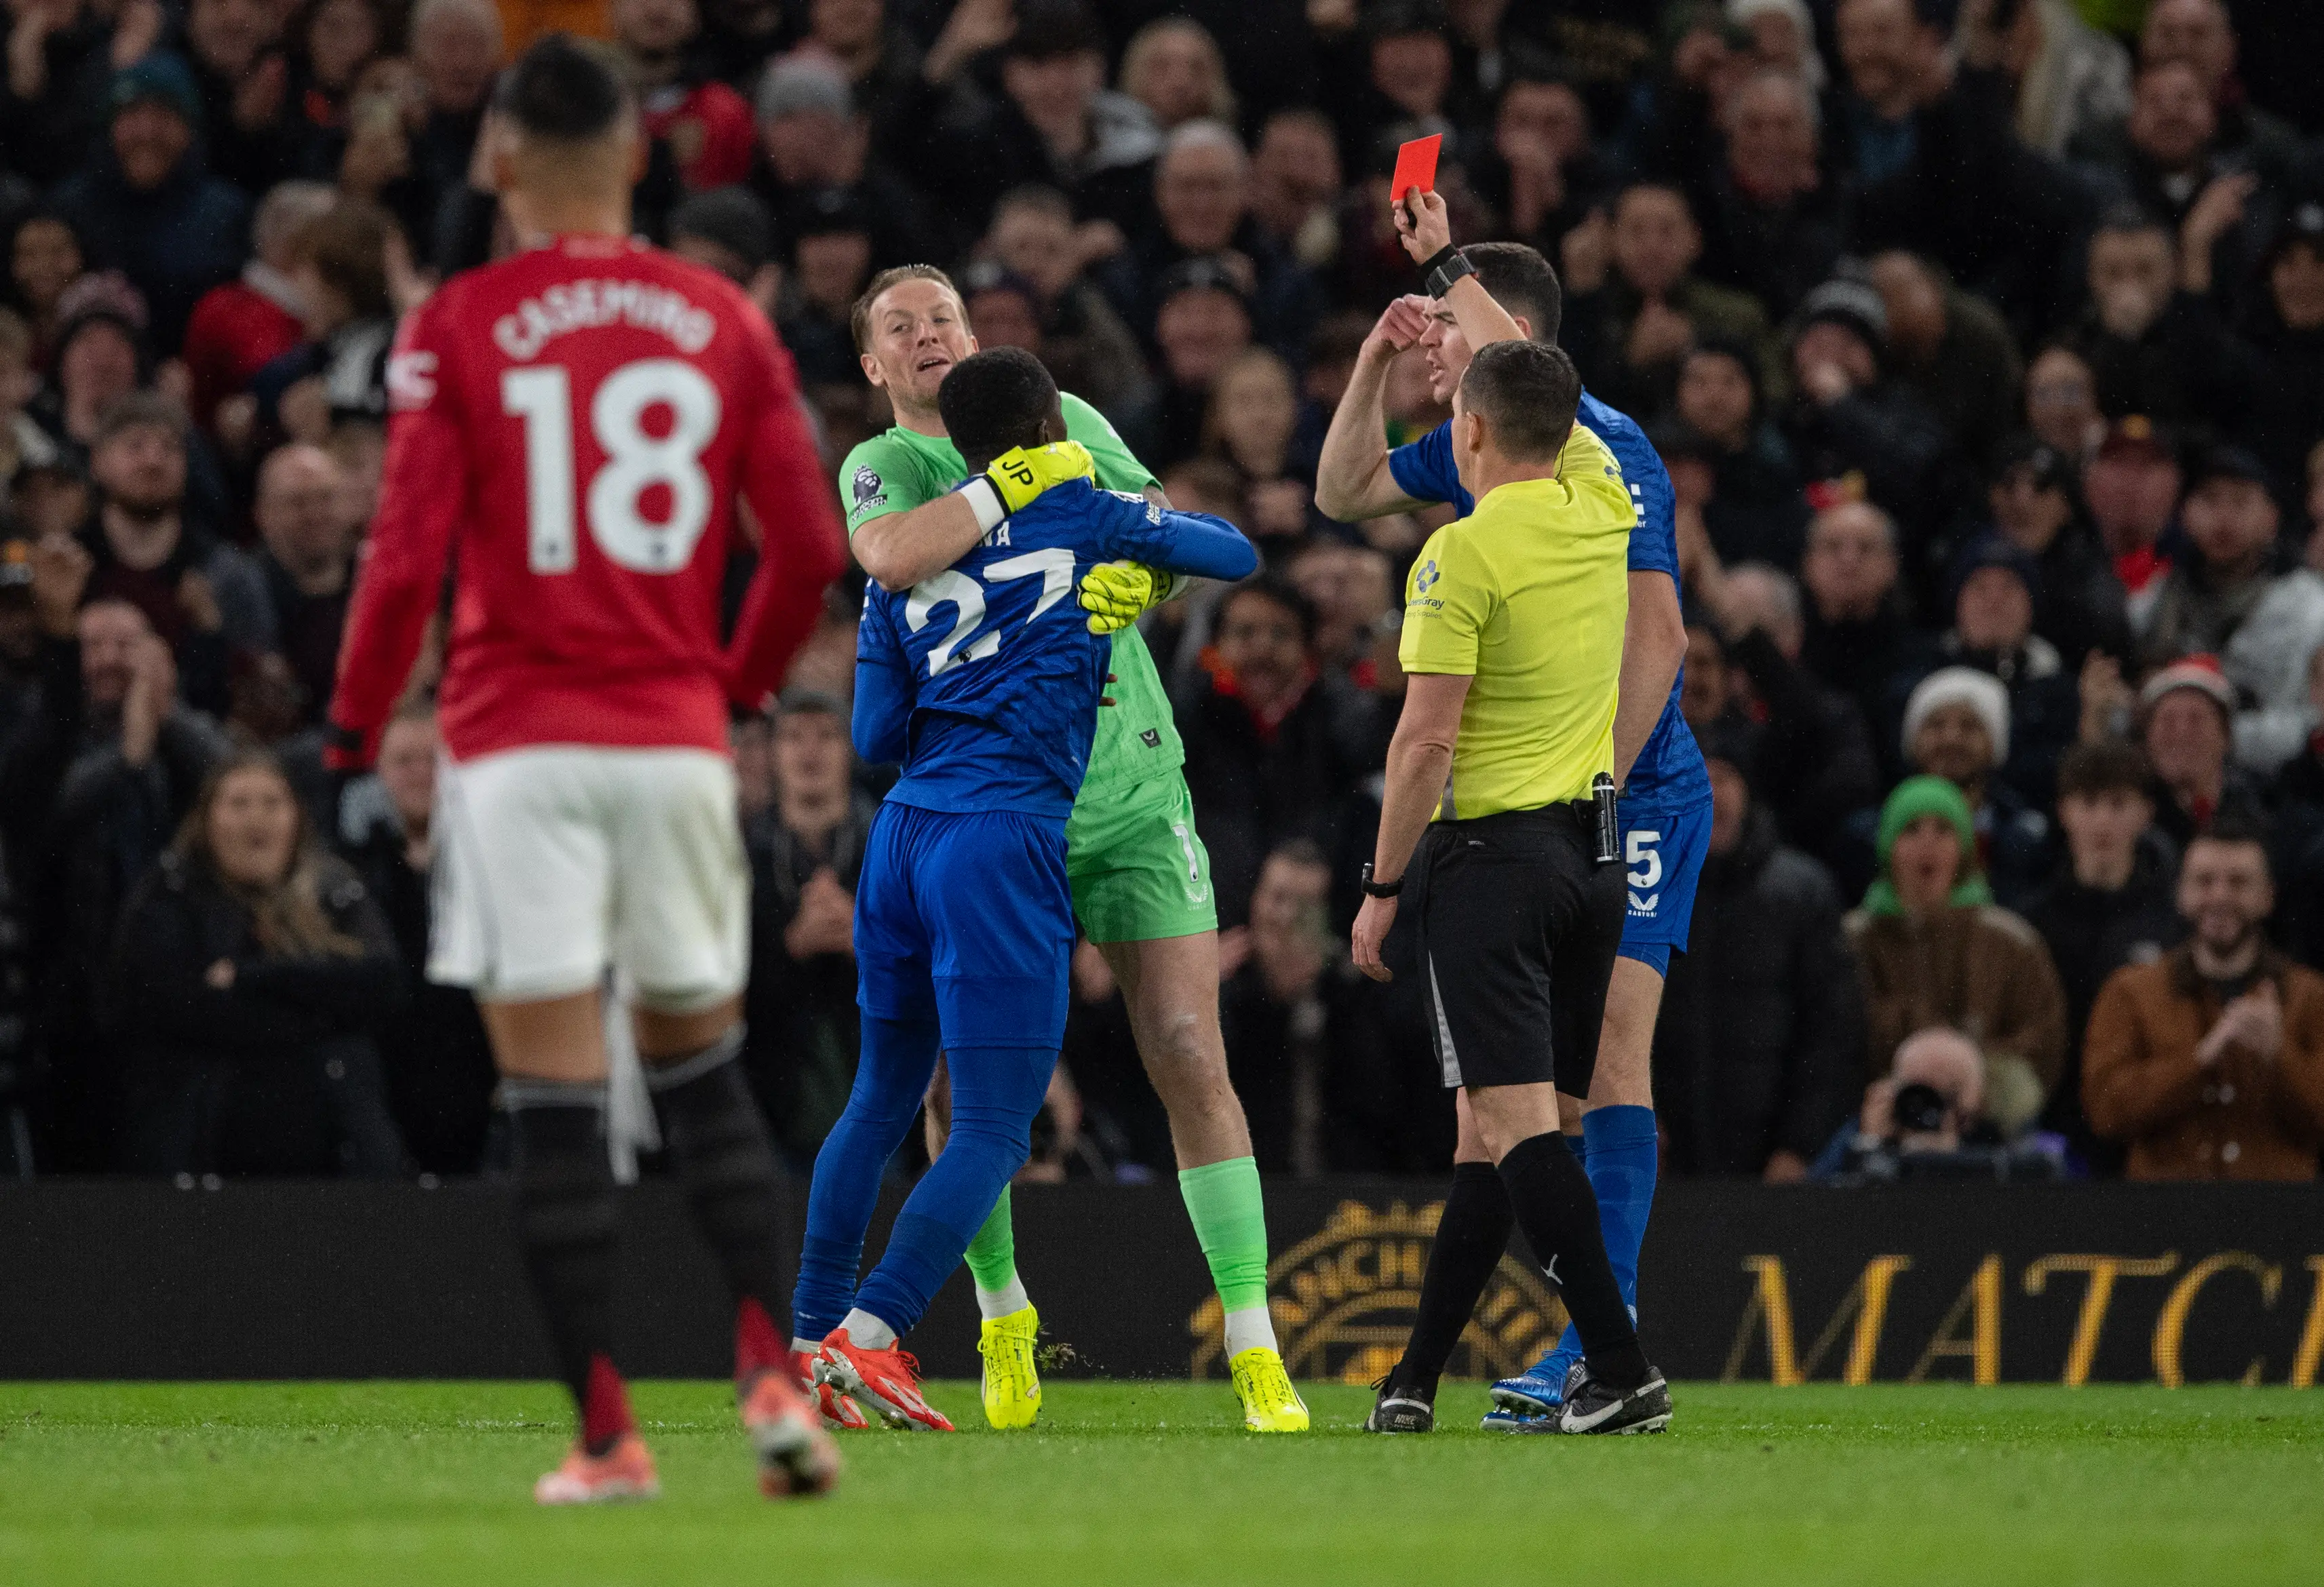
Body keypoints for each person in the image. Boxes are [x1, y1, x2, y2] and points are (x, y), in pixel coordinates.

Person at [320, 37, 848, 1505]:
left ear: (495, 158)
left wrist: (357, 728)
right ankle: (768, 1381)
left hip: (517, 753)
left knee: (555, 1109)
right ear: (636, 156)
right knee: (707, 1079)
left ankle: (611, 1439)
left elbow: (403, 555)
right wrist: (728, 689)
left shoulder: (460, 326)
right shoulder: (723, 320)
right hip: (675, 746)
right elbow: (807, 551)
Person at [833, 262, 1305, 1435]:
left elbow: (1168, 537)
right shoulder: (883, 465)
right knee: (967, 1083)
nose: (929, 333)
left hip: (1129, 786)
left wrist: (1129, 579)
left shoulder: (1075, 419)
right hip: (993, 811)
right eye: (903, 326)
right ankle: (1002, 1315)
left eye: (944, 315)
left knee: (1191, 1045)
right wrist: (1023, 489)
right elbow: (894, 555)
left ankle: (1254, 1339)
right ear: (876, 366)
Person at [1313, 199, 1707, 1427]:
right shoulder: (1503, 461)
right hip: (1553, 803)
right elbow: (1345, 492)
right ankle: (1434, 1375)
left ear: (1508, 348)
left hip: (1614, 789)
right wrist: (1378, 357)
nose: (1434, 350)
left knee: (1595, 1069)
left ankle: (1607, 1342)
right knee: (1495, 1112)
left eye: (1445, 338)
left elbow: (1661, 638)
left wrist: (1590, 780)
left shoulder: (1612, 445)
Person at [111, 749, 405, 1176]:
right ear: (206, 819)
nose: (257, 820)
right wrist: (326, 1004)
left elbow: (385, 986)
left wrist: (251, 977)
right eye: (239, 804)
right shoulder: (168, 895)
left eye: (272, 803)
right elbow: (179, 1008)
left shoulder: (335, 890)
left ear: (297, 818)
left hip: (338, 1157)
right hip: (198, 1149)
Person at [1652, 722, 1863, 1180]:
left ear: (1748, 793)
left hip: (1774, 1171)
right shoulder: (1642, 894)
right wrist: (1630, 1122)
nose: (1711, 793)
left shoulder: (1802, 893)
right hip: (1665, 1167)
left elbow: (1829, 1032)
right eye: (1695, 777)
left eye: (1724, 778)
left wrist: (1799, 1147)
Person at [2083, 824, 2324, 1181]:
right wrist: (2199, 1061)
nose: (2220, 896)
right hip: (2164, 1217)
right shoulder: (2131, 990)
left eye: (2239, 883)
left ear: (2267, 897)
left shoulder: (2311, 995)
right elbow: (2105, 1111)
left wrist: (2279, 1055)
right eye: (2204, 881)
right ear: (2181, 894)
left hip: (2280, 1216)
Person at [1846, 775, 2068, 1139]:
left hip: (1992, 1128)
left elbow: (2042, 1040)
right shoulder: (1853, 941)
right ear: (1888, 846)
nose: (1927, 843)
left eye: (1943, 830)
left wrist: (1970, 1083)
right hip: (1877, 1122)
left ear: (1964, 849)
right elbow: (1838, 1040)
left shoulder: (2012, 941)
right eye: (1911, 829)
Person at [2021, 739, 2180, 1173]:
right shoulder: (2031, 922)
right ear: (2064, 811)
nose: (2103, 820)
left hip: (2145, 1133)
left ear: (2145, 813)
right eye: (2089, 803)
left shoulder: (2174, 924)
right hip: (2052, 1131)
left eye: (2118, 803)